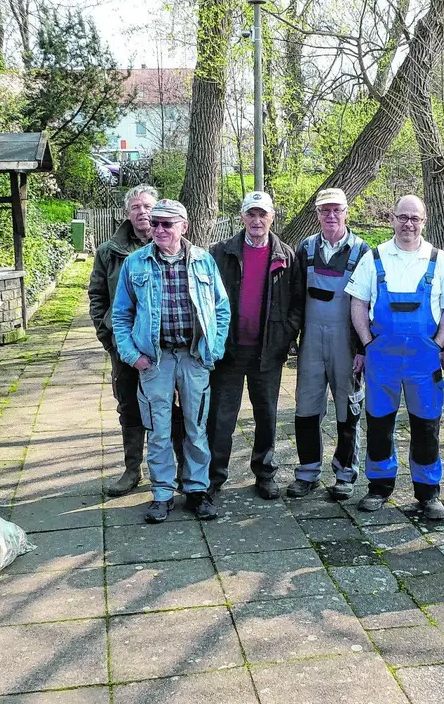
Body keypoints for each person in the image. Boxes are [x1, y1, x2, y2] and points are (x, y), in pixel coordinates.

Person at [110, 199, 231, 524]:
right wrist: (133, 356)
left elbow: (222, 308)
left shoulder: (203, 261)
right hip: (155, 361)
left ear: (184, 227)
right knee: (159, 432)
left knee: (196, 427)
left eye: (167, 223)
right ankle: (162, 494)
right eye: (156, 223)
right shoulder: (136, 263)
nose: (159, 229)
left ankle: (196, 491)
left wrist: (213, 349)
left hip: (193, 359)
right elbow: (120, 315)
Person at [346, 195, 444, 520]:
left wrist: (437, 344)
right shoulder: (374, 257)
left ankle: (428, 494)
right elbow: (357, 303)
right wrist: (368, 344)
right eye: (402, 217)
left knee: (426, 427)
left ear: (423, 221)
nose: (408, 223)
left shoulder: (439, 260)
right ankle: (379, 488)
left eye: (415, 218)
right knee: (379, 425)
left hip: (423, 362)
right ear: (393, 219)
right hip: (382, 359)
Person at [87, 184, 186, 496]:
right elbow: (98, 299)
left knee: (171, 406)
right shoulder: (109, 253)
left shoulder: (177, 245)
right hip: (125, 346)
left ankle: (182, 468)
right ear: (127, 214)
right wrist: (110, 340)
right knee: (129, 405)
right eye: (136, 208)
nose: (142, 213)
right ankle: (133, 470)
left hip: (167, 348)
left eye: (147, 207)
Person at [207, 191, 303, 505]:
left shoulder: (286, 256)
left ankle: (265, 474)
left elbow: (297, 303)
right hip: (230, 352)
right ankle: (214, 476)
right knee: (221, 418)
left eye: (263, 214)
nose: (257, 221)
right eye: (251, 214)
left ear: (272, 217)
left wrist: (286, 332)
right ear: (242, 217)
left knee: (266, 416)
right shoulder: (220, 253)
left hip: (267, 352)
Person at [288, 187, 370, 500]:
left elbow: (369, 302)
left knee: (348, 410)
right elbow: (294, 296)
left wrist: (364, 347)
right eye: (325, 210)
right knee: (306, 409)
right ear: (318, 214)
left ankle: (345, 474)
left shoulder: (362, 250)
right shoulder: (305, 248)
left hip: (346, 342)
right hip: (310, 339)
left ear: (347, 211)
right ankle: (307, 472)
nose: (331, 216)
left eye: (337, 210)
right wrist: (291, 338)